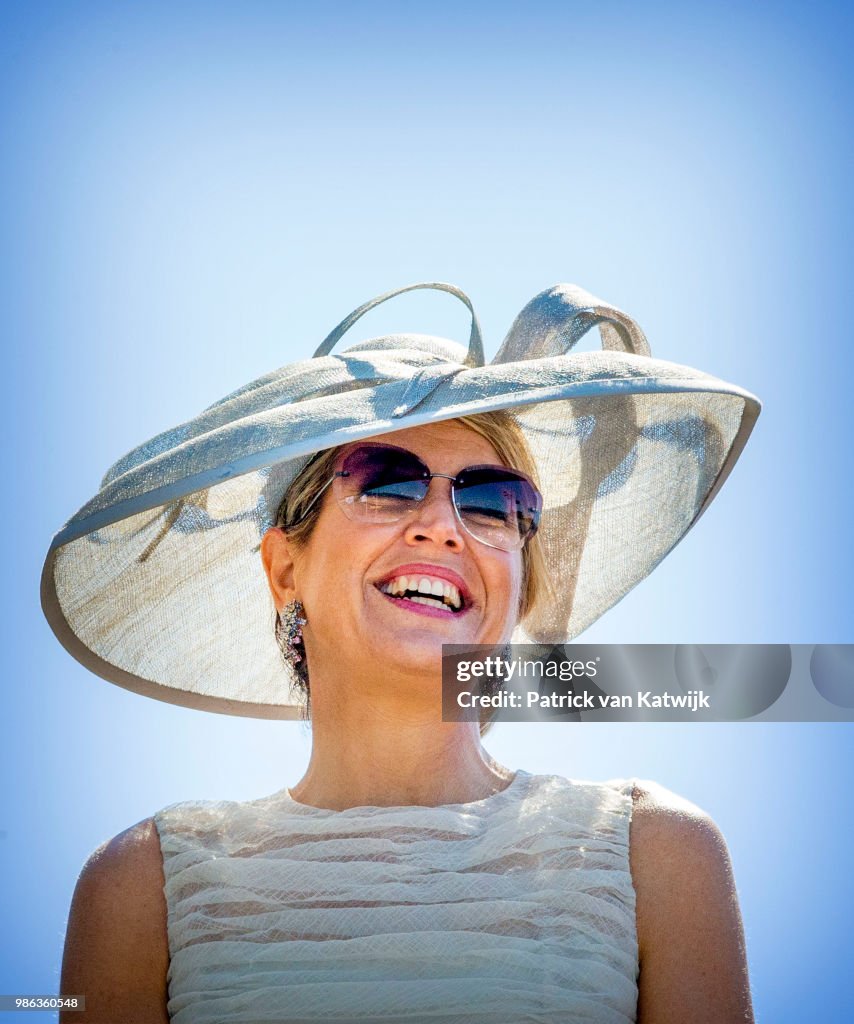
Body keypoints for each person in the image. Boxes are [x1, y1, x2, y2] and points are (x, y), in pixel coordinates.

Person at [44, 282, 759, 1023]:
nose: (445, 526)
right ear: (284, 567)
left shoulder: (655, 853)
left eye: (492, 503)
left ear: (519, 583)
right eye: (387, 484)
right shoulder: (143, 884)